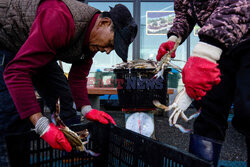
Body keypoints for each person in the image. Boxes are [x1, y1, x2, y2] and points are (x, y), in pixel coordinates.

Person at [0, 0, 137, 165]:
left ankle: (73, 150)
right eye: (111, 44)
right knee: (13, 110)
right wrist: (41, 125)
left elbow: (78, 78)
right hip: (7, 39)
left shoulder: (92, 41)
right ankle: (8, 161)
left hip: (38, 43)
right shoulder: (60, 19)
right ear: (104, 22)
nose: (108, 51)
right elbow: (17, 72)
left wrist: (87, 110)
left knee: (64, 100)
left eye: (112, 49)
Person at [157, 0, 250, 166]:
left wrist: (206, 51)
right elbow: (184, 14)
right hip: (222, 48)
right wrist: (174, 38)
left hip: (245, 40)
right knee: (208, 111)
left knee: (247, 107)